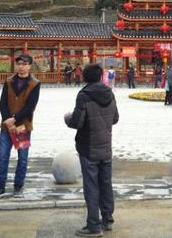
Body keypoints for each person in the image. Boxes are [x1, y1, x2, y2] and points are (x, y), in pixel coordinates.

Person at [65, 63, 119, 237]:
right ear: (100, 77)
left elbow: (77, 122)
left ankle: (94, 225)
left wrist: (67, 118)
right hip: (106, 145)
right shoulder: (109, 93)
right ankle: (108, 219)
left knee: (91, 185)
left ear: (86, 77)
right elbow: (115, 118)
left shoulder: (84, 95)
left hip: (88, 146)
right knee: (105, 183)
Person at [0, 54, 40, 199]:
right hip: (6, 125)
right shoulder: (9, 81)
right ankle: (0, 187)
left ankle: (18, 186)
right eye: (18, 63)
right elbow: (2, 102)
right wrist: (7, 119)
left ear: (30, 66)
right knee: (3, 156)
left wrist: (14, 119)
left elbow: (31, 105)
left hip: (23, 126)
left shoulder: (35, 83)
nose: (21, 66)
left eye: (24, 64)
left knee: (22, 157)